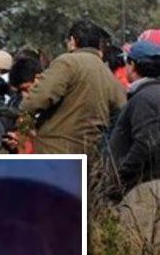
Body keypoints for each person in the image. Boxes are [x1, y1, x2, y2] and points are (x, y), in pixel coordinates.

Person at [16, 19, 126, 155]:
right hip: (91, 151)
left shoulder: (67, 62)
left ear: (73, 41)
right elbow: (121, 109)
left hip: (56, 150)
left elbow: (37, 99)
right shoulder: (107, 72)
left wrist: (22, 115)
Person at [107, 40, 160, 202]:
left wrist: (121, 174)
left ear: (133, 65)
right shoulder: (150, 93)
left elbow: (145, 143)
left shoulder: (144, 99)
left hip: (140, 188)